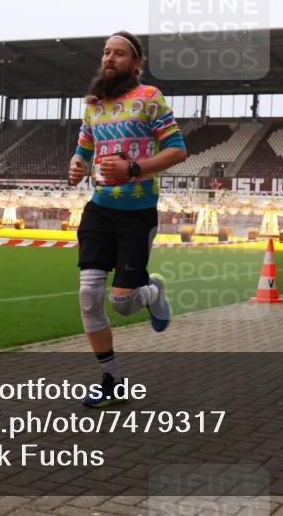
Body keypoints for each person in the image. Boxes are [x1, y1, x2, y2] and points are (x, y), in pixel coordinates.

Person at [68, 31, 188, 407]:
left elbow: (177, 150)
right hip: (99, 210)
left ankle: (152, 291)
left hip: (137, 214)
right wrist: (76, 165)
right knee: (89, 296)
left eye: (119, 54)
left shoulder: (149, 98)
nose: (109, 58)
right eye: (106, 52)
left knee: (122, 302)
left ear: (137, 64)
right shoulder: (94, 105)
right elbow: (83, 151)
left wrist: (132, 168)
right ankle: (112, 379)